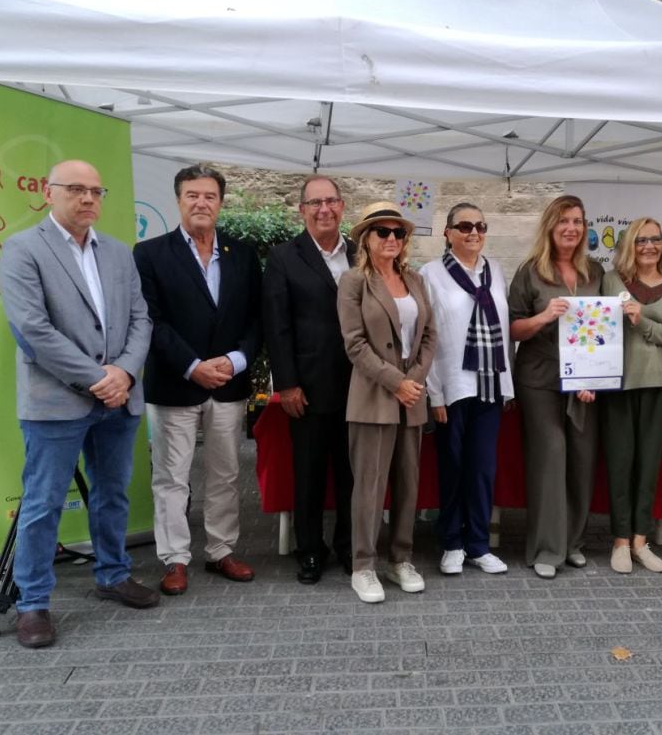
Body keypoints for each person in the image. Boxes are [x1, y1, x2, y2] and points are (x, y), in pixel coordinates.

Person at [0, 159, 157, 648]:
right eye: (75, 189)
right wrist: (98, 378)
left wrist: (124, 372)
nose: (88, 198)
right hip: (56, 401)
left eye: (95, 190)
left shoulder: (119, 252)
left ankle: (113, 574)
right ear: (49, 193)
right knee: (43, 503)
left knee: (112, 494)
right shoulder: (23, 248)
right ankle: (32, 603)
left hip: (119, 398)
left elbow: (141, 319)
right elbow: (32, 329)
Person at [133, 164, 262, 595]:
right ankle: (174, 558)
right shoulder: (149, 254)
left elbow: (257, 317)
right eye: (193, 195)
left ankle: (221, 551)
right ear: (179, 200)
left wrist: (236, 360)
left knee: (226, 472)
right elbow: (151, 320)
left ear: (221, 202)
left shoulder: (242, 255)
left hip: (228, 382)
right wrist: (192, 366)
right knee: (172, 477)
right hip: (175, 383)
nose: (201, 202)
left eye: (210, 195)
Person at [338, 201, 436, 603]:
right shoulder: (353, 282)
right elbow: (354, 344)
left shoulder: (415, 279)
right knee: (370, 485)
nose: (392, 238)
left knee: (408, 483)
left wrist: (413, 381)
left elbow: (429, 336)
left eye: (399, 232)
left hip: (411, 398)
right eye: (383, 231)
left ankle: (400, 559)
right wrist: (396, 382)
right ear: (366, 238)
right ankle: (363, 566)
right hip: (374, 396)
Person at [262, 176, 356, 584]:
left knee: (353, 474)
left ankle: (350, 547)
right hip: (308, 387)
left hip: (358, 386)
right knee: (309, 474)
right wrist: (286, 383)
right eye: (315, 203)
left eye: (331, 201)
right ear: (302, 210)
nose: (324, 209)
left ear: (342, 206)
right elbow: (276, 325)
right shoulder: (283, 257)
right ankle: (310, 550)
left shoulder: (360, 253)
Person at [508, 194, 603, 579]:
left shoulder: (595, 272)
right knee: (551, 455)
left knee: (582, 459)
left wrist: (593, 376)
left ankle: (573, 542)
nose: (571, 228)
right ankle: (546, 549)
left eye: (577, 221)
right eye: (564, 220)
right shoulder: (530, 271)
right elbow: (514, 328)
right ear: (550, 225)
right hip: (539, 378)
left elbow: (604, 329)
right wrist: (544, 316)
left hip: (584, 383)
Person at [422, 203, 514, 576]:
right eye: (464, 226)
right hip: (452, 385)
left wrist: (508, 385)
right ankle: (451, 542)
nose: (473, 232)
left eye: (480, 225)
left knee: (482, 469)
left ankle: (478, 544)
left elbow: (504, 330)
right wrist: (434, 393)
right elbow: (426, 337)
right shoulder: (430, 274)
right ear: (448, 233)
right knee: (453, 466)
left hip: (490, 384)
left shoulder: (496, 271)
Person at [601, 218, 662, 574]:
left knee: (649, 467)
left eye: (655, 239)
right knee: (620, 465)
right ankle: (620, 542)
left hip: (660, 384)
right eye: (641, 240)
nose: (649, 246)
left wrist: (645, 322)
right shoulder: (612, 281)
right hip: (618, 384)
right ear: (629, 245)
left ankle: (640, 541)